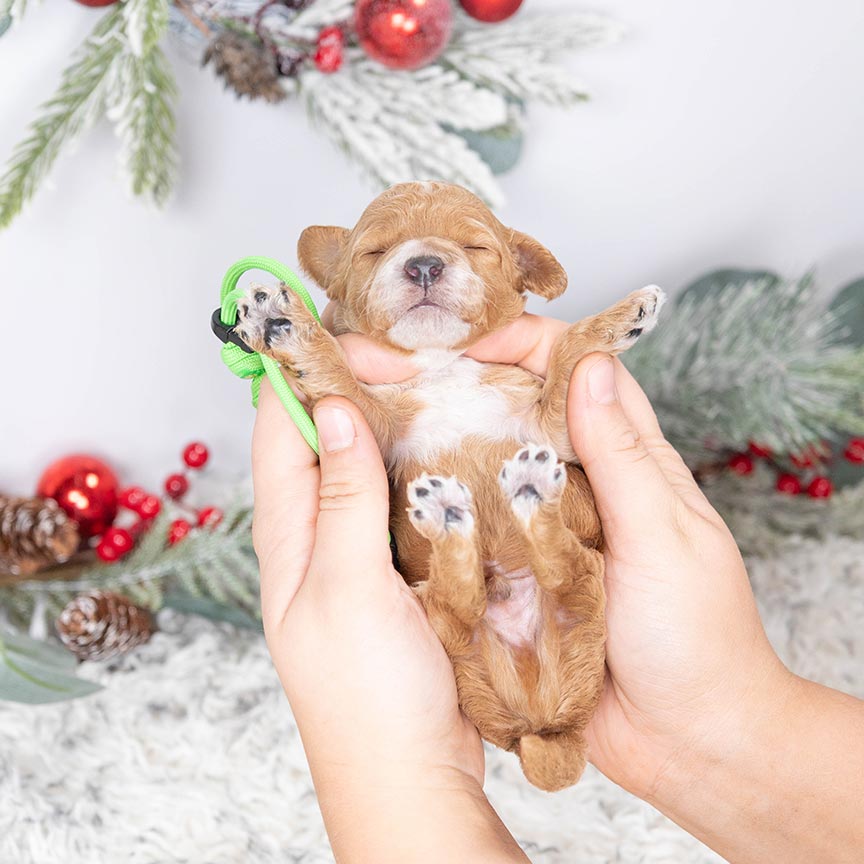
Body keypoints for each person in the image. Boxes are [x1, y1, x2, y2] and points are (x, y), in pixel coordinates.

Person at [251, 312, 864, 864]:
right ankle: (527, 521)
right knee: (567, 587)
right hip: (546, 596)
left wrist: (392, 778)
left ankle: (469, 538)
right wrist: (722, 723)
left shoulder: (501, 388)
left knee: (460, 611)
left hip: (480, 584)